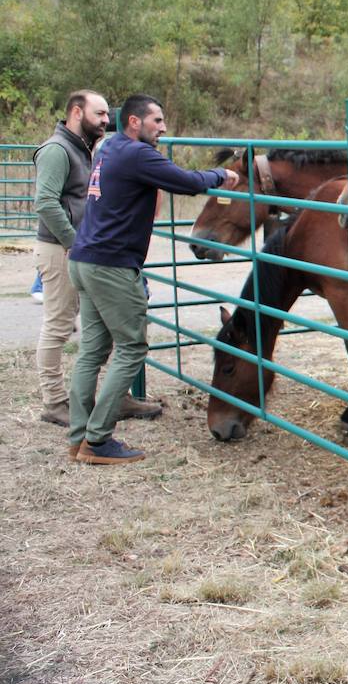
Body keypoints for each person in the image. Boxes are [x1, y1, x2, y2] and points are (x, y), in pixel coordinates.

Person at [66, 94, 240, 465]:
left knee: (93, 351)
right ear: (133, 122)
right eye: (156, 120)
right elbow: (186, 181)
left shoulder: (109, 148)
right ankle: (97, 441)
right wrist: (222, 175)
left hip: (85, 259)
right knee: (131, 348)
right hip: (111, 266)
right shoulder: (136, 154)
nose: (162, 128)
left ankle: (79, 436)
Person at [31, 91, 165, 427]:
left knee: (102, 329)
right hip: (62, 248)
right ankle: (54, 401)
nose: (107, 120)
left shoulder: (87, 149)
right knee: (59, 325)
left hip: (83, 249)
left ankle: (115, 397)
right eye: (101, 113)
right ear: (77, 112)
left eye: (108, 115)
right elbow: (46, 202)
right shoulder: (57, 150)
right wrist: (75, 243)